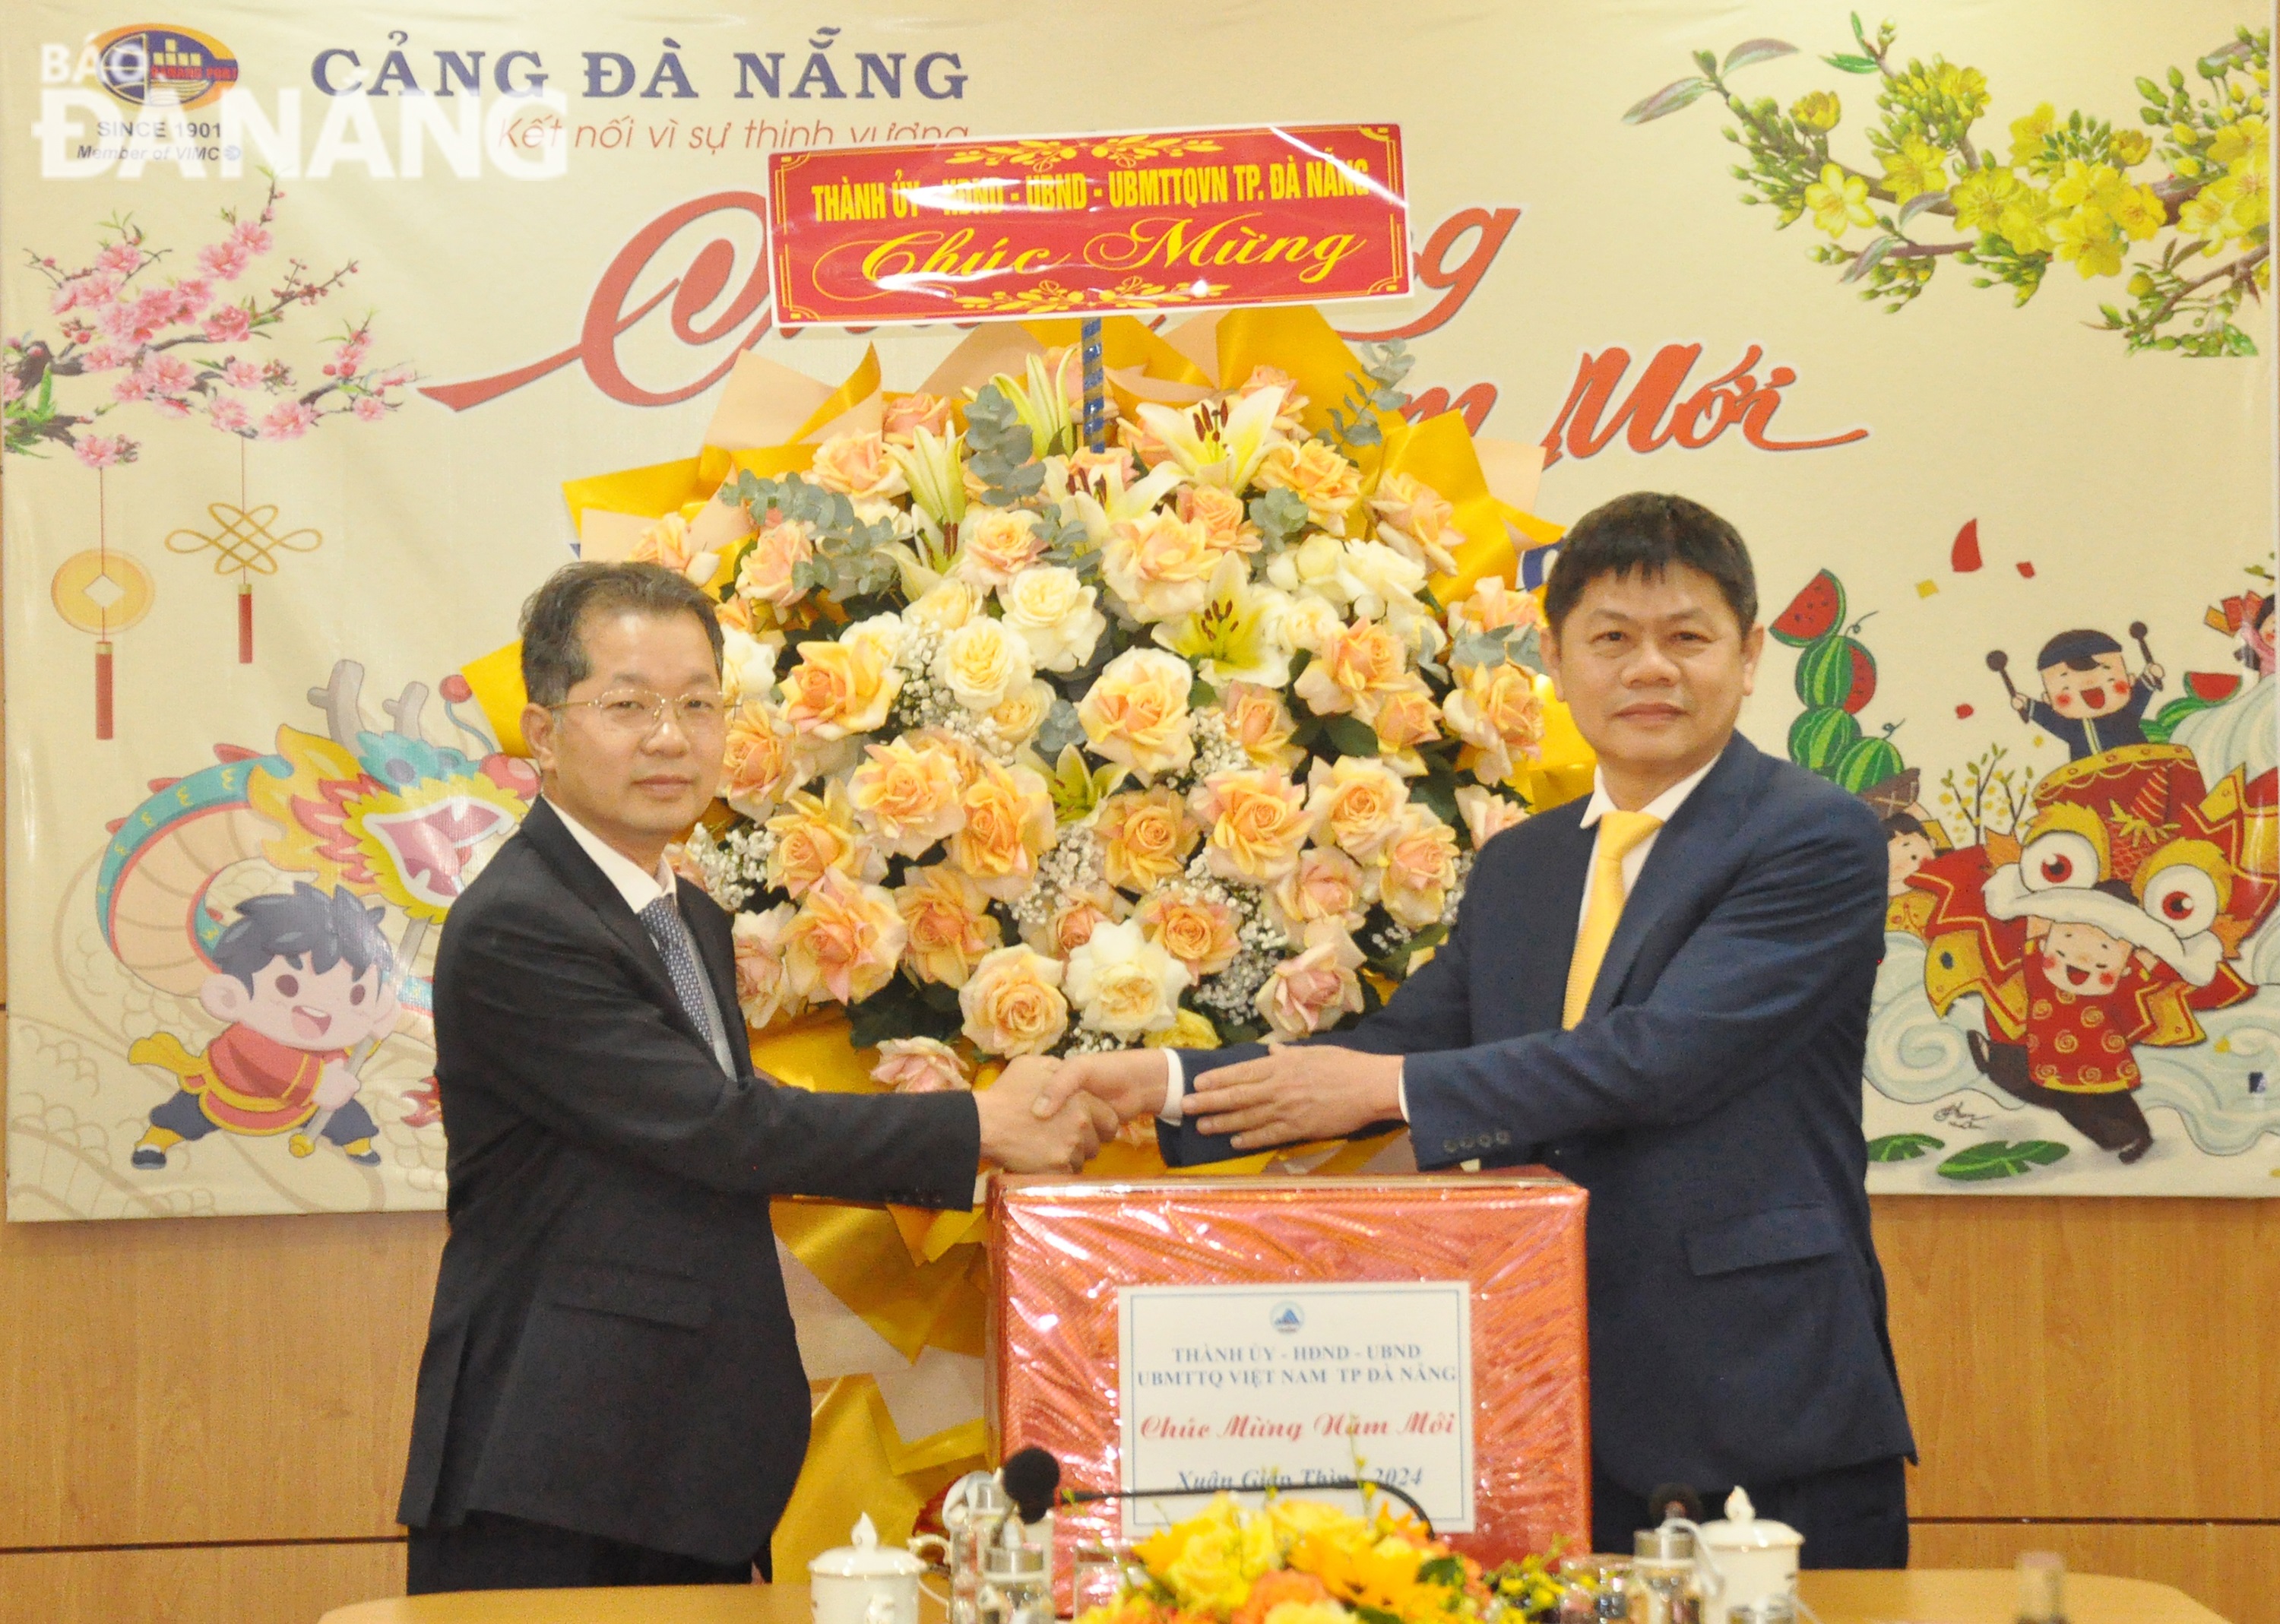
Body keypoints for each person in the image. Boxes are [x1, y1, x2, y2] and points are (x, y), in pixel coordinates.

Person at [1034, 493, 1916, 1565]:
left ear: (1749, 655)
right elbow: (1406, 1042)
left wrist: (1387, 1095)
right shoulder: (1524, 865)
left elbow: (1661, 1054)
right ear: (1554, 656)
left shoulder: (1812, 835)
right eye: (1612, 639)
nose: (1651, 669)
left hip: (1759, 1396)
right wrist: (1166, 1083)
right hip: (1538, 1396)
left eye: (1688, 637)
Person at [397, 562, 1113, 1593]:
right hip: (553, 1466)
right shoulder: (523, 923)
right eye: (628, 704)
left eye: (697, 704)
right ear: (544, 734)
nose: (668, 737)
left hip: (677, 1460)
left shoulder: (681, 913)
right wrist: (981, 1126)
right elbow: (722, 1128)